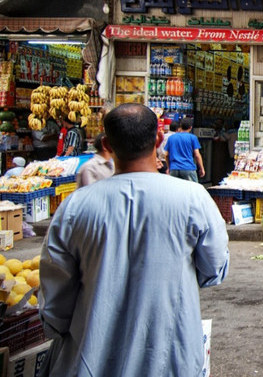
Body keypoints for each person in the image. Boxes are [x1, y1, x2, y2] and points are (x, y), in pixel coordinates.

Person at [38, 103, 230, 377]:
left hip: (91, 359)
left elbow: (55, 301)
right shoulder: (193, 198)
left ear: (107, 144)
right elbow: (214, 269)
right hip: (170, 358)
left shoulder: (74, 207)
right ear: (159, 139)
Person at [163, 117, 205, 182]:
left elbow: (166, 155)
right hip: (188, 168)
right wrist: (202, 168)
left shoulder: (171, 138)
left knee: (174, 191)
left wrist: (169, 167)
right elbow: (197, 155)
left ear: (180, 126)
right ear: (190, 128)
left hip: (174, 169)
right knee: (192, 190)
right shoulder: (192, 138)